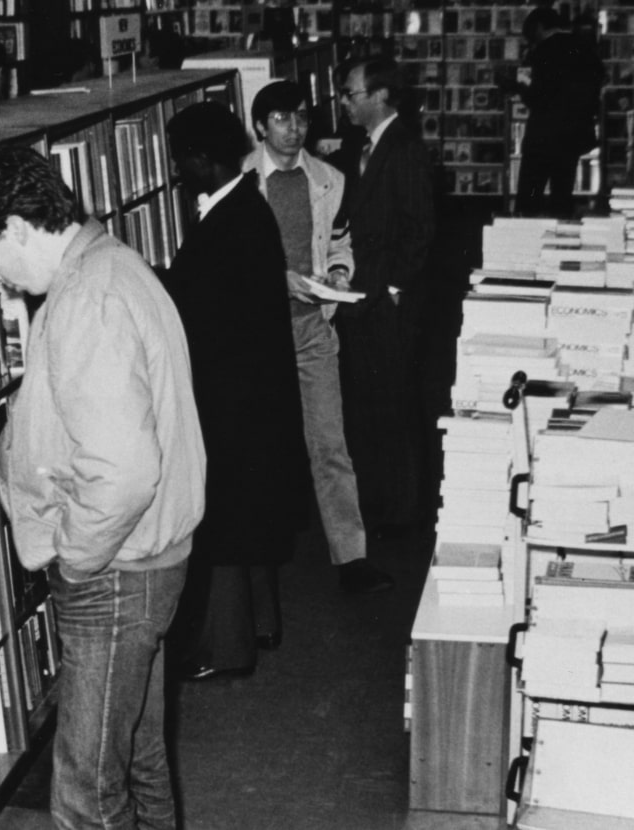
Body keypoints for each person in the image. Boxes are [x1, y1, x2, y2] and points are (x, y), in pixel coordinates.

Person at [0, 145, 205, 829]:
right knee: (138, 760)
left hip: (114, 572)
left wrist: (77, 555)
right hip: (145, 563)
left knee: (85, 792)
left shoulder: (89, 297)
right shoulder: (110, 266)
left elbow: (122, 471)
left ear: (19, 227)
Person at [156, 102, 310, 682]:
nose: (176, 172)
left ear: (200, 159)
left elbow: (203, 310)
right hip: (255, 393)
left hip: (230, 400)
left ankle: (227, 649)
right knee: (251, 516)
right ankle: (262, 624)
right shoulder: (245, 207)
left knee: (222, 520)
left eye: (180, 160)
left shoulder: (229, 221)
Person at [242, 81, 394, 595]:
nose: (294, 128)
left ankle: (352, 557)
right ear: (260, 125)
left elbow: (341, 240)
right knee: (258, 446)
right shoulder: (239, 179)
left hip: (311, 329)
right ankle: (254, 572)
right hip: (257, 334)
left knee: (330, 445)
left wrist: (339, 274)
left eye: (302, 118)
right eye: (282, 119)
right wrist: (273, 278)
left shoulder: (329, 179)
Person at [333, 55, 438, 533]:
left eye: (350, 94)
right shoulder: (369, 144)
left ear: (379, 96)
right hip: (366, 296)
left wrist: (394, 288)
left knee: (395, 404)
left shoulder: (405, 149)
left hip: (389, 300)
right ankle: (384, 502)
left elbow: (420, 231)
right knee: (373, 403)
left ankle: (406, 510)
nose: (343, 102)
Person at [499, 7, 606, 218]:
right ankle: (562, 242)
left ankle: (525, 239)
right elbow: (598, 78)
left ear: (539, 27)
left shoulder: (545, 50)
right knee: (562, 194)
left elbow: (539, 97)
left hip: (545, 135)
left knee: (530, 194)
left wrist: (518, 87)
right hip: (573, 134)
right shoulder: (582, 46)